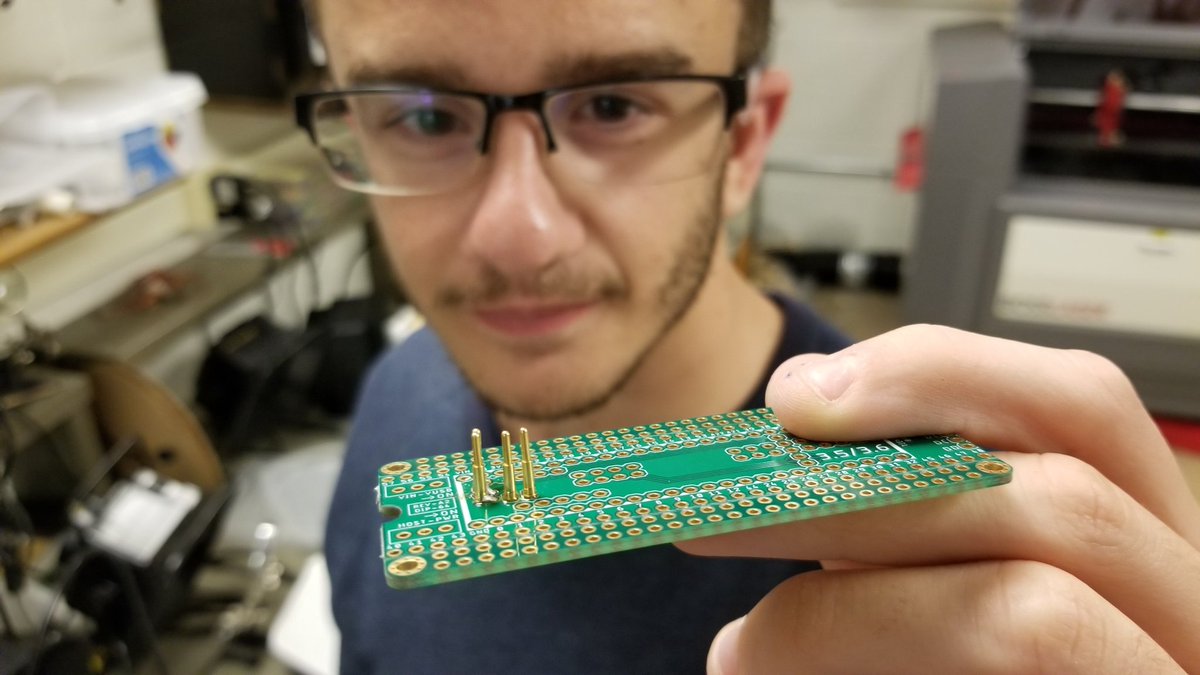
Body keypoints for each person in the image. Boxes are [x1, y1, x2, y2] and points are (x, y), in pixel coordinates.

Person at [304, 1, 1200, 672]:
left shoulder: (960, 573)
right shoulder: (392, 394)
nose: (519, 236)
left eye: (612, 106)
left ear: (744, 143)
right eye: (424, 116)